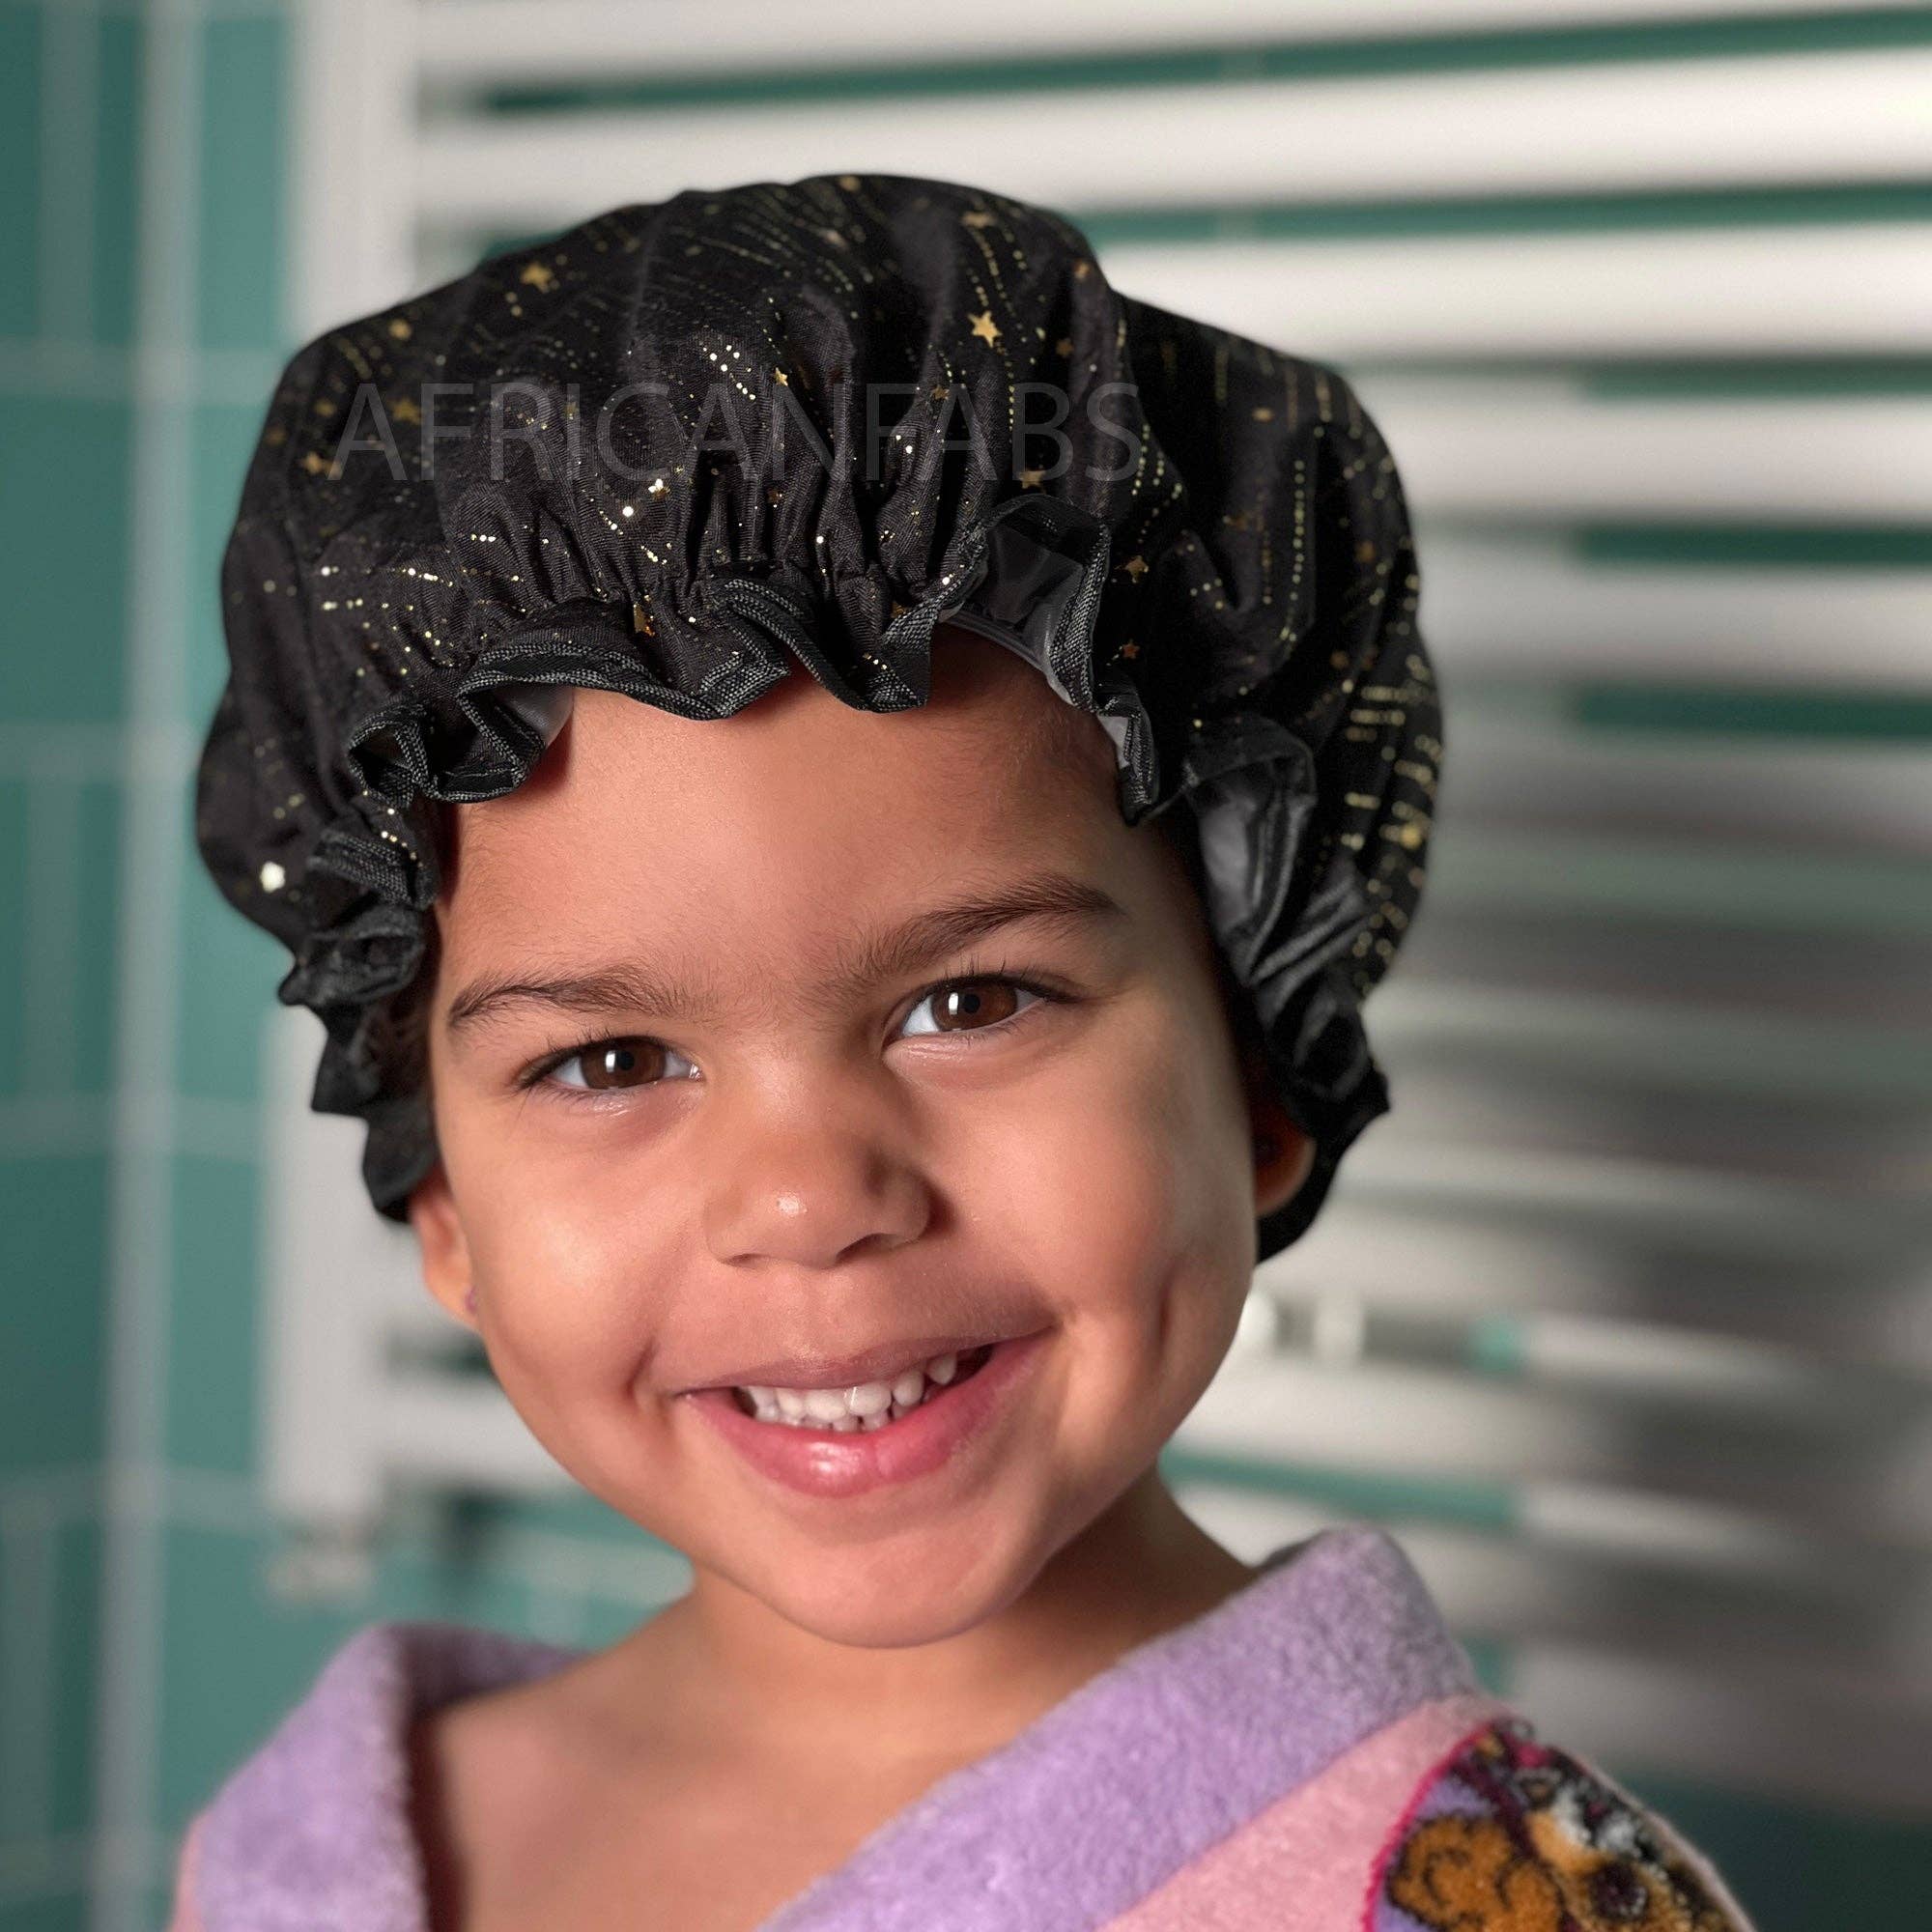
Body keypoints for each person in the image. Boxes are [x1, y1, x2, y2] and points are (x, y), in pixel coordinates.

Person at [173, 171, 1755, 1931]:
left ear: (1257, 1072)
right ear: (444, 1203)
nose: (808, 1200)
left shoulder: (1513, 1901)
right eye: (608, 1062)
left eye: (971, 1002)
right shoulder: (312, 1854)